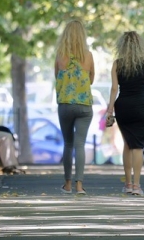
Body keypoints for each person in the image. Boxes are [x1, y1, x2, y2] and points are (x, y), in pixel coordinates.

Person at [106, 31, 144, 196]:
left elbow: (114, 89)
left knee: (127, 144)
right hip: (142, 106)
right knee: (138, 146)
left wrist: (110, 110)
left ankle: (128, 184)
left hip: (123, 106)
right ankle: (137, 186)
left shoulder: (117, 64)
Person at [54, 19, 94, 195]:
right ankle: (80, 186)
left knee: (68, 143)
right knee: (80, 144)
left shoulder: (60, 55)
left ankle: (68, 185)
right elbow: (91, 79)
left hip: (65, 104)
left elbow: (57, 78)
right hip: (84, 104)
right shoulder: (88, 55)